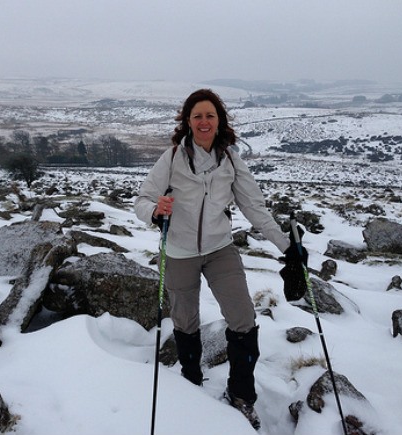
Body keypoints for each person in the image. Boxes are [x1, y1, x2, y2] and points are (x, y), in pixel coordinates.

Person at [134, 89, 306, 430]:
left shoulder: (230, 161)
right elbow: (142, 199)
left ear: (219, 121)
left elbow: (254, 208)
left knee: (243, 317)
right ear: (187, 121)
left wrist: (287, 246)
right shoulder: (171, 158)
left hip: (219, 249)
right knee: (185, 322)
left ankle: (241, 395)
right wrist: (155, 211)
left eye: (209, 115)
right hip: (180, 252)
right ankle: (191, 382)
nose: (203, 121)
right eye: (197, 116)